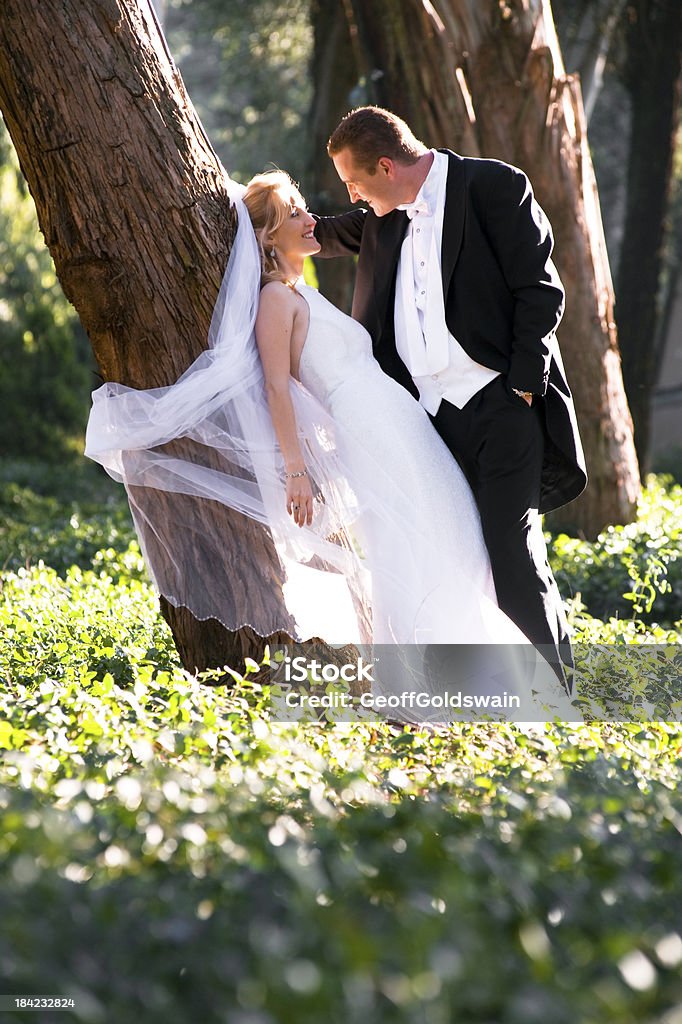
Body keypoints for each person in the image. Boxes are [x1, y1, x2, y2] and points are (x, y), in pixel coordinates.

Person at [85, 169, 576, 722]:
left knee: (455, 531)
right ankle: (428, 694)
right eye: (293, 213)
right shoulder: (275, 301)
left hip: (399, 424)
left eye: (302, 206)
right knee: (412, 546)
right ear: (268, 238)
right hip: (370, 430)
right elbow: (276, 387)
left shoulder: (302, 291)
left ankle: (476, 682)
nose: (309, 217)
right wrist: (296, 470)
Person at [313, 106, 587, 689]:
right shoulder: (381, 218)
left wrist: (522, 384)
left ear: (385, 166)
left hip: (501, 407)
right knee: (459, 553)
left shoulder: (495, 186)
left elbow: (540, 291)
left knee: (511, 553)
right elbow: (317, 232)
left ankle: (556, 692)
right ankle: (485, 688)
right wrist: (240, 208)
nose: (352, 196)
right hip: (428, 420)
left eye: (354, 182)